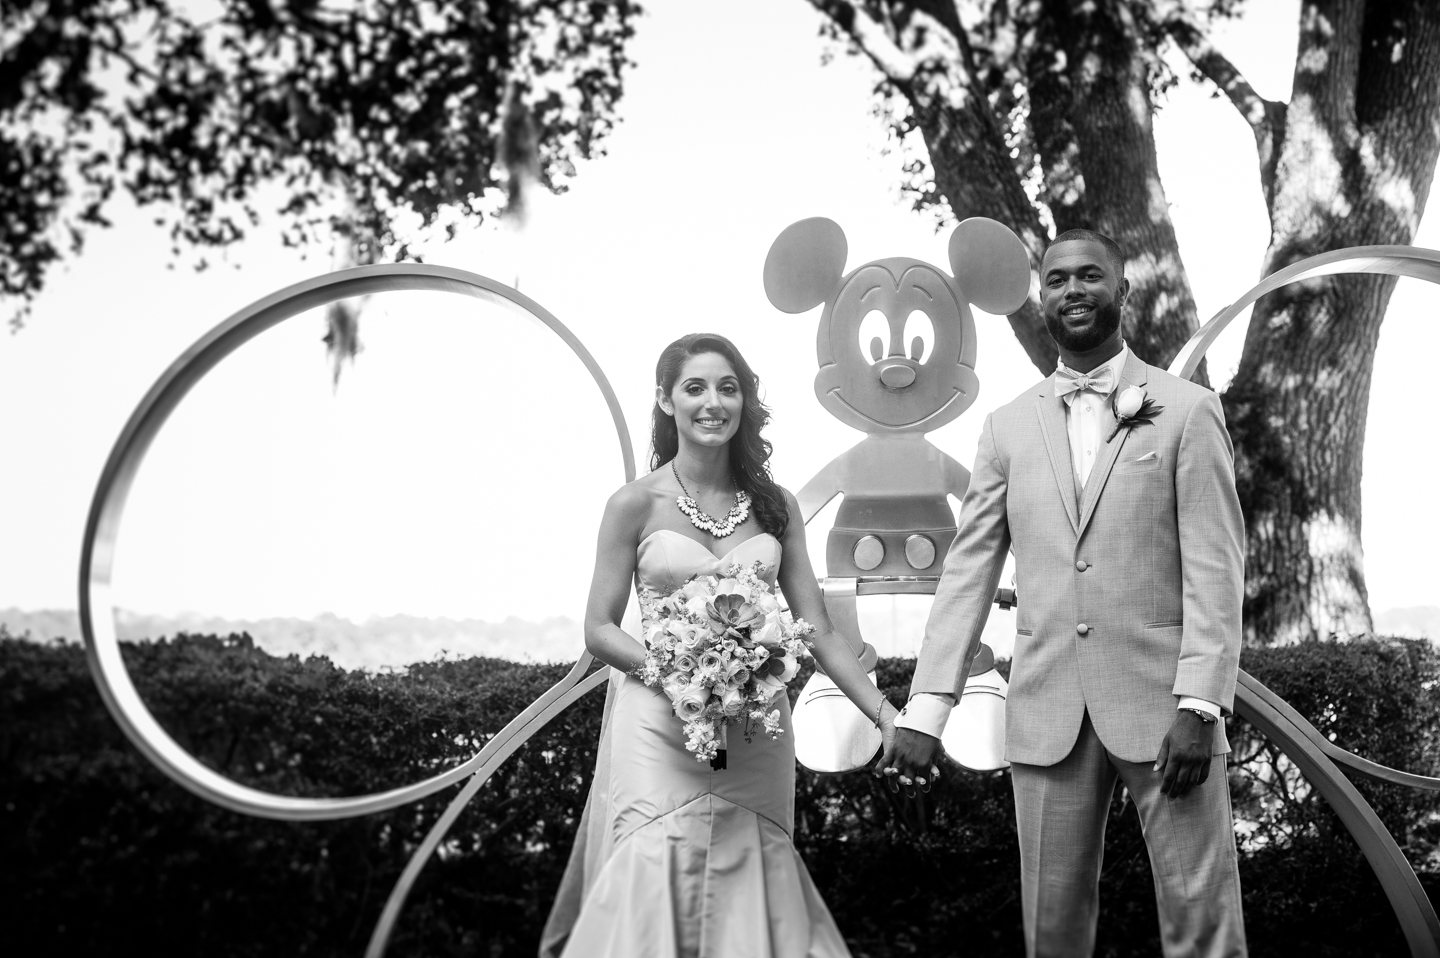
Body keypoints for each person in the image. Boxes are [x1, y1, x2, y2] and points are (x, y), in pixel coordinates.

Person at [883, 230, 1248, 957]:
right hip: (1046, 712)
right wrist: (928, 706)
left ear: (1123, 292)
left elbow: (1216, 568)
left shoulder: (1185, 411)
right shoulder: (1005, 428)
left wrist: (1200, 705)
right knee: (1052, 935)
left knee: (1202, 924)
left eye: (1090, 276)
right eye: (1057, 280)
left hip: (1166, 715)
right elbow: (968, 571)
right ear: (1040, 296)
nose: (1073, 290)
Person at [541, 332, 900, 958]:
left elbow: (814, 628)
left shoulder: (777, 507)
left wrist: (884, 713)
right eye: (695, 387)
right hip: (657, 726)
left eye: (728, 388)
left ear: (745, 402)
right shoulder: (633, 504)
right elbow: (599, 628)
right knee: (650, 878)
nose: (713, 402)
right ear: (665, 400)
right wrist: (678, 672)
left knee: (754, 882)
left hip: (756, 732)